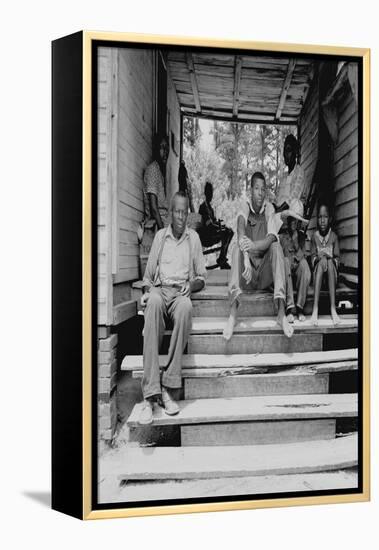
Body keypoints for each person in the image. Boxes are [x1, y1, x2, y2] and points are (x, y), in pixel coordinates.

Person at [138, 191, 206, 425]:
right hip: (160, 289)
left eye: (183, 211)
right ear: (170, 213)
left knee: (186, 307)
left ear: (188, 214)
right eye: (176, 211)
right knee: (154, 303)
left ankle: (168, 389)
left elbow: (202, 277)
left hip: (179, 294)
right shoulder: (160, 237)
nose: (179, 216)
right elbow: (147, 278)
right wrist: (147, 293)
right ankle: (149, 397)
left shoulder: (193, 239)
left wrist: (191, 284)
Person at [223, 172, 307, 341]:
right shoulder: (245, 206)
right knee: (235, 251)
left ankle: (281, 313)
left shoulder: (268, 209)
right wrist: (245, 256)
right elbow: (240, 228)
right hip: (249, 275)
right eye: (256, 189)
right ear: (251, 190)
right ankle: (233, 314)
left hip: (265, 274)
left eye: (263, 189)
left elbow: (270, 237)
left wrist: (252, 245)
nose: (260, 193)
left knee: (276, 247)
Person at [310, 203, 340, 326]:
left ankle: (333, 308)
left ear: (330, 219)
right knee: (322, 262)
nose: (322, 220)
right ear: (317, 219)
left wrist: (329, 259)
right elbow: (312, 258)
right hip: (318, 278)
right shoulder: (314, 237)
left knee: (330, 262)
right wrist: (319, 259)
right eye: (320, 217)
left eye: (325, 217)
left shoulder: (333, 237)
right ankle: (315, 309)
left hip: (331, 279)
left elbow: (337, 259)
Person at [280, 212, 311, 322]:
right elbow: (280, 258)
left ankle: (299, 307)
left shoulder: (302, 236)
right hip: (286, 273)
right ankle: (289, 308)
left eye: (296, 220)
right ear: (288, 221)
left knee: (305, 266)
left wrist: (296, 243)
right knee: (285, 261)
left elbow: (304, 257)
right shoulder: (282, 237)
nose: (294, 222)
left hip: (297, 272)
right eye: (292, 220)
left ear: (298, 223)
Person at [198, 182, 234, 269]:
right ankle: (222, 259)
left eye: (211, 192)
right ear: (206, 193)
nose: (211, 194)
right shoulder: (204, 207)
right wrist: (221, 228)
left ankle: (222, 257)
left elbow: (214, 222)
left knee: (230, 232)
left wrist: (223, 226)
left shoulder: (210, 208)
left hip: (211, 233)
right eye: (209, 192)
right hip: (206, 236)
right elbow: (209, 225)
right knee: (226, 232)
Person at [143, 134, 170, 230]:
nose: (165, 152)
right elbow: (154, 208)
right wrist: (163, 232)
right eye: (162, 148)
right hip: (161, 221)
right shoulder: (153, 170)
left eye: (167, 148)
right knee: (196, 219)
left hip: (166, 219)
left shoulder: (159, 171)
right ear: (156, 149)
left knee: (196, 220)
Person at [275, 134, 306, 211]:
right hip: (280, 213)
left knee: (295, 203)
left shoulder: (299, 172)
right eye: (284, 151)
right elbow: (277, 199)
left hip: (291, 213)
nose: (285, 154)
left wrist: (279, 210)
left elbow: (294, 197)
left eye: (288, 150)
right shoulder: (284, 176)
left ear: (295, 152)